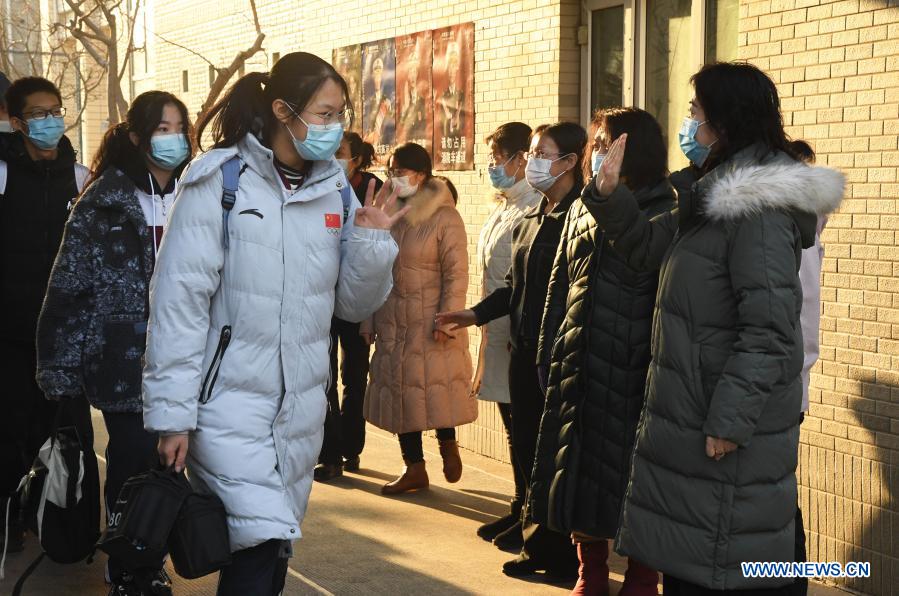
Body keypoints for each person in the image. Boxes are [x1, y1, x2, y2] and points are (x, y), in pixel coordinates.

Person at [142, 52, 405, 595]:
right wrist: (173, 415)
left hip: (301, 408)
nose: (335, 128)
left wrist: (376, 240)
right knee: (260, 541)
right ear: (284, 111)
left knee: (272, 543)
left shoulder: (335, 188)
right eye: (325, 114)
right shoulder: (219, 179)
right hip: (227, 404)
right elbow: (179, 303)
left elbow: (352, 306)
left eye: (340, 115)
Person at [582, 62, 845, 593]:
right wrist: (609, 197)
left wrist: (728, 422)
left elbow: (771, 330)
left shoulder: (755, 208)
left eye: (696, 112)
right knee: (696, 558)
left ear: (724, 122)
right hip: (690, 415)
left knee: (723, 563)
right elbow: (645, 249)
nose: (688, 124)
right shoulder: (712, 194)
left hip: (716, 423)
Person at [35, 90, 193, 595]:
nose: (173, 139)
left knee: (175, 467)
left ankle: (154, 554)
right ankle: (127, 563)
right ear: (136, 137)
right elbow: (68, 285)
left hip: (190, 356)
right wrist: (58, 365)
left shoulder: (200, 195)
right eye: (162, 128)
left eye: (179, 127)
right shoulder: (104, 200)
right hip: (125, 359)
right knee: (131, 463)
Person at [529, 108, 675, 596]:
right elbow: (560, 282)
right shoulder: (579, 206)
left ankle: (640, 575)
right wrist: (550, 346)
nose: (595, 152)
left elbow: (657, 275)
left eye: (604, 143)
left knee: (636, 481)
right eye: (594, 143)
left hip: (636, 368)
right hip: (580, 364)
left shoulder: (665, 207)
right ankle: (590, 570)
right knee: (578, 473)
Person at [436, 122, 586, 581]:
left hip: (553, 355)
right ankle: (534, 539)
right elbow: (514, 286)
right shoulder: (538, 213)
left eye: (542, 153)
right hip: (523, 348)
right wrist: (474, 314)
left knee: (547, 456)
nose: (532, 162)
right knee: (525, 444)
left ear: (570, 162)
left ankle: (554, 552)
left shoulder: (576, 216)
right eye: (532, 152)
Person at [0, 76, 89, 555]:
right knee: (12, 435)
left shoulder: (81, 178)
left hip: (67, 342)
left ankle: (68, 533)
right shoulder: (4, 176)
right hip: (11, 339)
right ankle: (12, 524)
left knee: (68, 437)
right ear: (17, 123)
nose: (51, 121)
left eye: (56, 110)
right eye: (38, 114)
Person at [363, 142, 475, 495]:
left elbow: (457, 273)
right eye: (390, 171)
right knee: (402, 393)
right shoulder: (390, 213)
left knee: (434, 387)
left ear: (421, 174)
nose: (393, 177)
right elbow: (374, 268)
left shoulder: (445, 217)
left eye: (400, 171)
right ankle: (414, 467)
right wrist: (368, 317)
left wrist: (449, 318)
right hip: (393, 318)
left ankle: (447, 445)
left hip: (431, 319)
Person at [471, 122, 541, 549]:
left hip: (518, 333)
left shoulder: (534, 202)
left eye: (499, 159)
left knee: (525, 430)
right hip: (498, 331)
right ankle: (519, 505)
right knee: (513, 427)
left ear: (520, 159)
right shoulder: (505, 203)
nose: (494, 167)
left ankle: (530, 512)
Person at [315, 132, 384, 481]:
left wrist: (370, 311)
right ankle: (330, 455)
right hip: (322, 299)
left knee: (355, 377)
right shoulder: (318, 183)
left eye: (340, 152)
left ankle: (351, 448)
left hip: (357, 300)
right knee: (324, 380)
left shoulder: (374, 190)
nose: (333, 157)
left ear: (356, 159)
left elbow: (379, 253)